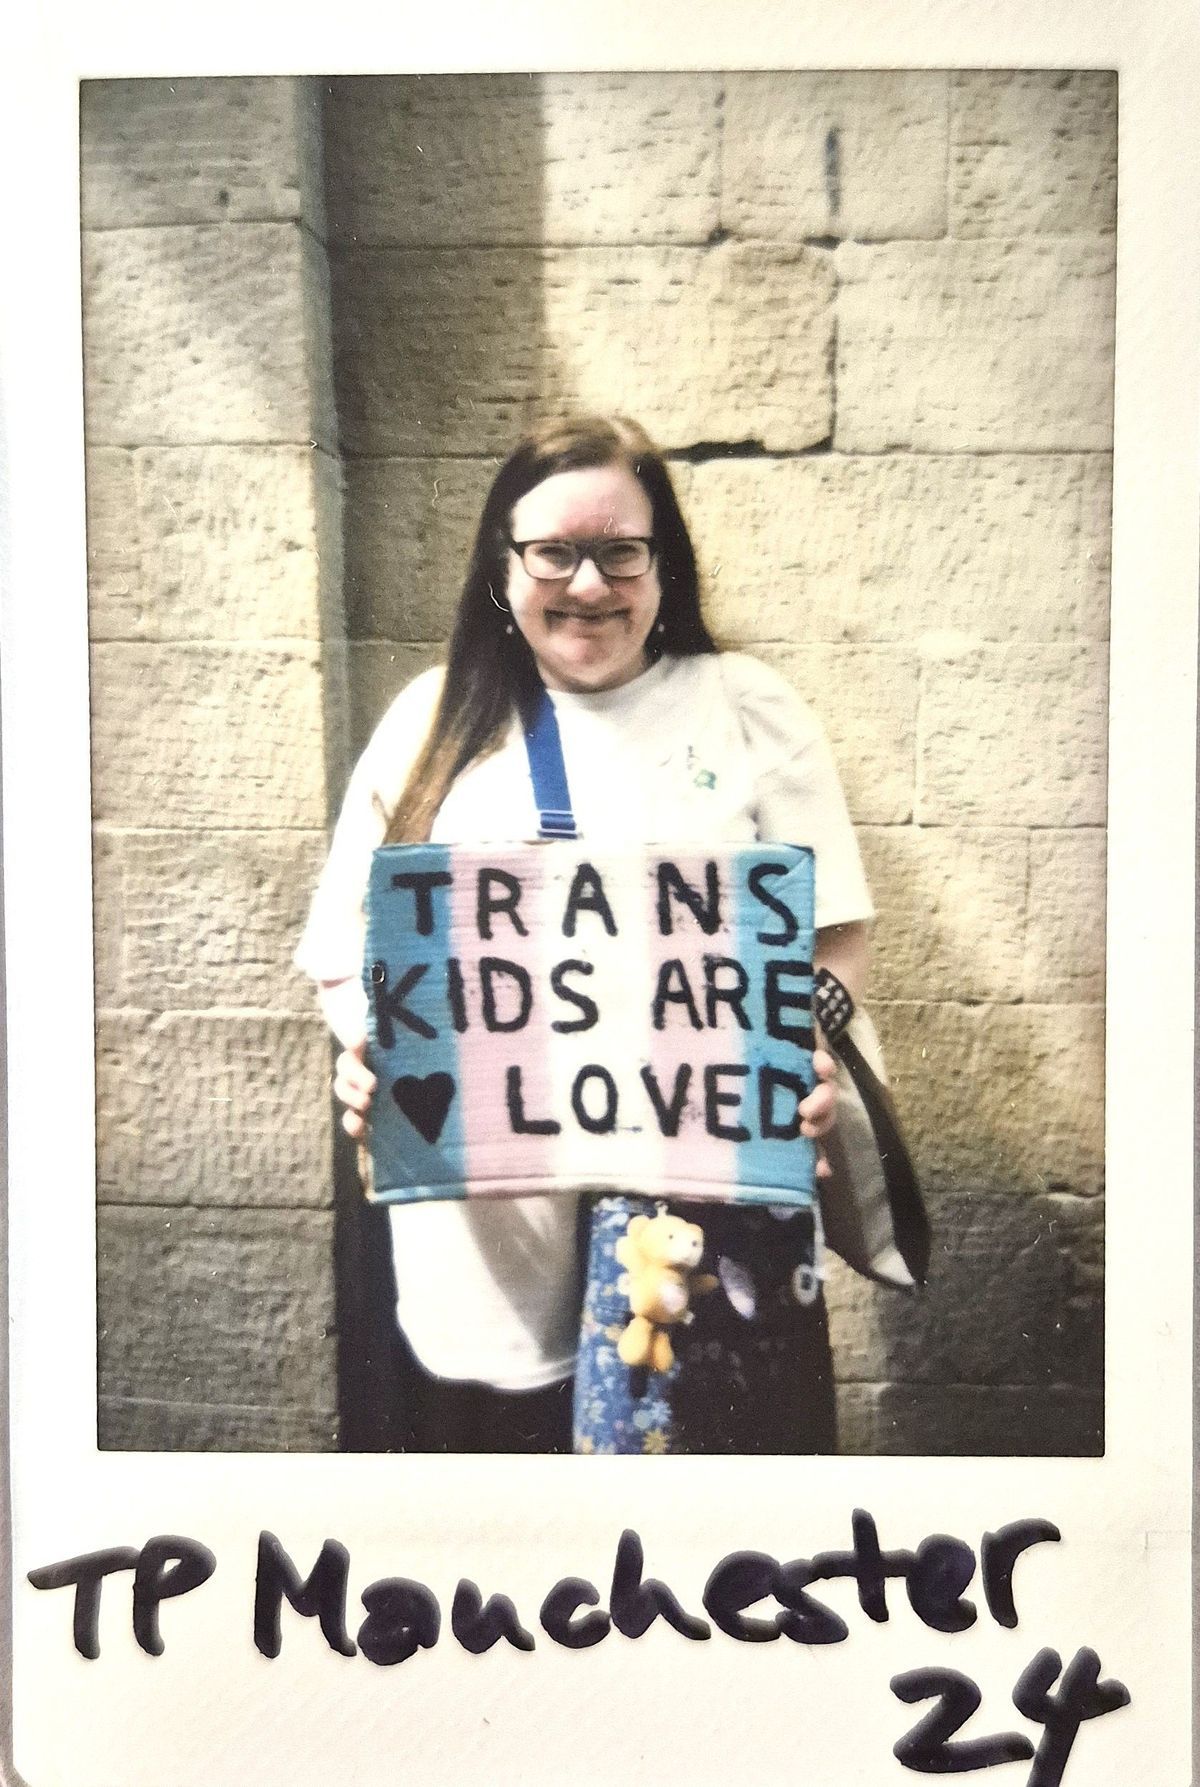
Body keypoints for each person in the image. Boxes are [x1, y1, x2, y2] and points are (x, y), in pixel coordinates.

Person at [295, 415, 873, 1455]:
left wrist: (805, 1046)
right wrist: (369, 1047)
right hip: (482, 1242)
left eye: (621, 551)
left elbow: (827, 938)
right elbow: (348, 942)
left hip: (689, 1238)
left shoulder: (746, 708)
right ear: (503, 566)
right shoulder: (431, 719)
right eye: (553, 552)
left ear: (664, 563)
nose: (590, 584)